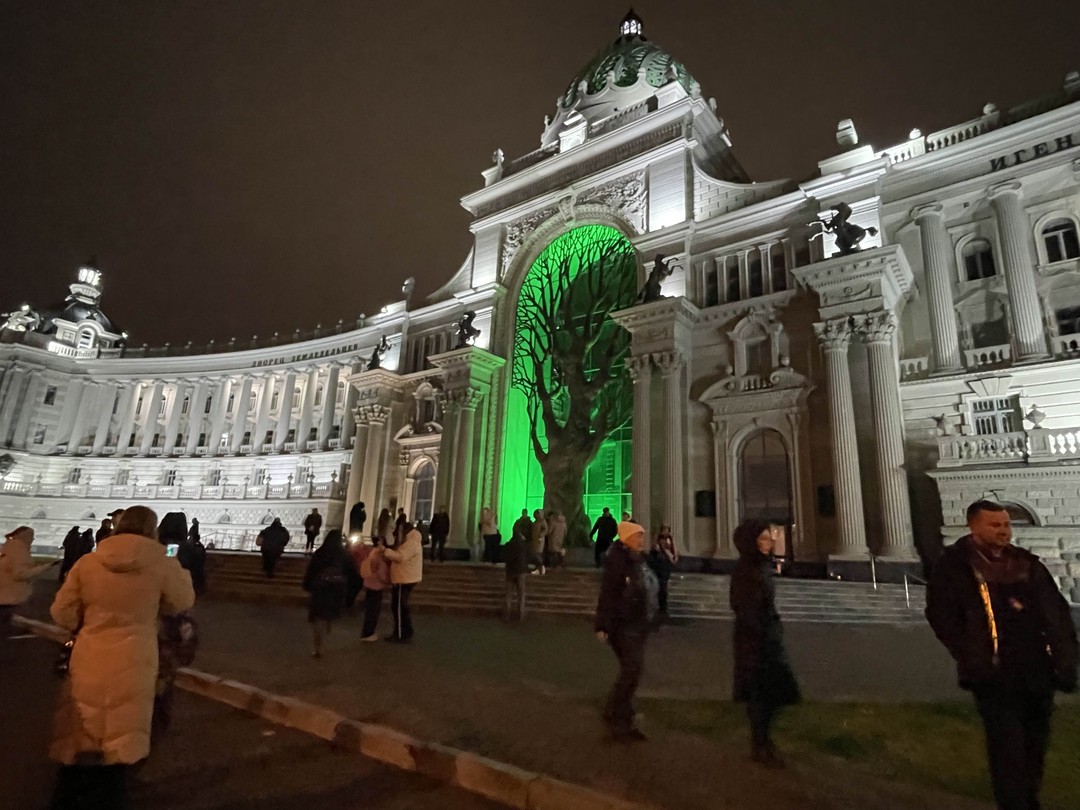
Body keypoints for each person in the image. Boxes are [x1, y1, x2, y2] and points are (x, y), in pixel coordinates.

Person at [926, 500, 1078, 810]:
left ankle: (1028, 800)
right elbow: (942, 615)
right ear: (973, 527)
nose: (1003, 531)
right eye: (995, 525)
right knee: (1007, 747)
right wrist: (971, 654)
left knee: (1035, 745)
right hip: (993, 673)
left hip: (1038, 670)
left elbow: (1056, 614)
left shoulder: (1026, 564)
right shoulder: (955, 566)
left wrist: (1065, 659)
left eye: (1006, 525)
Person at [49, 505, 194, 810]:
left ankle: (67, 798)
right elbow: (182, 601)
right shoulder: (163, 562)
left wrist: (88, 621)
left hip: (90, 652)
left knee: (81, 727)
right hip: (136, 656)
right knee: (121, 736)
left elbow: (61, 613)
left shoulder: (89, 561)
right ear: (152, 529)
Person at [730, 519, 800, 768]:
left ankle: (762, 742)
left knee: (772, 693)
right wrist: (762, 632)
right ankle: (760, 745)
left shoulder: (762, 566)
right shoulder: (746, 570)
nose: (769, 542)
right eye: (763, 538)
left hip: (766, 636)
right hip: (755, 640)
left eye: (770, 537)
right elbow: (743, 607)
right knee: (762, 694)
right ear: (751, 542)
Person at [595, 521, 657, 741]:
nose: (642, 540)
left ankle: (621, 714)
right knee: (631, 671)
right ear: (626, 538)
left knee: (632, 672)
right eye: (638, 536)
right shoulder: (618, 562)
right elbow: (608, 595)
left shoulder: (637, 560)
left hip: (638, 625)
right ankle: (617, 715)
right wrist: (601, 625)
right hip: (623, 626)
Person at [155, 513, 201, 732]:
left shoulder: (159, 546)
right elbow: (175, 567)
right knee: (164, 666)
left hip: (158, 606)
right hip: (174, 606)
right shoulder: (179, 547)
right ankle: (159, 715)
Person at [1, 526, 57, 651]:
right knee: (6, 623)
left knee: (6, 620)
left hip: (6, 593)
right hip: (11, 594)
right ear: (25, 537)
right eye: (31, 536)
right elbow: (20, 574)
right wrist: (45, 568)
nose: (33, 539)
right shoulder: (18, 549)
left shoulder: (10, 546)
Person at [302, 530, 351, 658]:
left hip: (320, 589)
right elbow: (351, 572)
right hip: (336, 591)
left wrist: (307, 585)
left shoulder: (320, 553)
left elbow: (311, 570)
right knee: (328, 616)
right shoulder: (343, 554)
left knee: (317, 617)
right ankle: (326, 631)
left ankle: (317, 646)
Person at [383, 523, 423, 643]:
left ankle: (400, 633)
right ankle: (405, 630)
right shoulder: (411, 541)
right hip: (405, 577)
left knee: (399, 606)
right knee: (400, 605)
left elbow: (401, 557)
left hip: (404, 579)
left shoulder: (411, 543)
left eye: (399, 530)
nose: (397, 532)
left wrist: (386, 551)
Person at [358, 536, 391, 641]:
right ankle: (368, 633)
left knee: (370, 610)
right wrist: (387, 580)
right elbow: (381, 572)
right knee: (373, 611)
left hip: (369, 582)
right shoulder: (379, 555)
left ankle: (366, 632)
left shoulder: (371, 553)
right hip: (376, 585)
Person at [648, 524, 679, 619]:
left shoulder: (669, 538)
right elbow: (655, 550)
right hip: (660, 565)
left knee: (664, 586)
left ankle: (663, 606)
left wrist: (675, 556)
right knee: (661, 586)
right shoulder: (658, 539)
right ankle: (661, 607)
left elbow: (673, 548)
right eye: (664, 530)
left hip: (666, 565)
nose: (666, 532)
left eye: (667, 530)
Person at [503, 525, 529, 622]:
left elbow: (503, 556)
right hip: (520, 571)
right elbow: (530, 555)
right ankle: (521, 614)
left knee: (508, 594)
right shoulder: (524, 545)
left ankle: (507, 614)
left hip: (510, 571)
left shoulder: (508, 544)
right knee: (521, 594)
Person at [530, 509, 548, 575]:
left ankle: (541, 567)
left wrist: (541, 535)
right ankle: (538, 568)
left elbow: (545, 529)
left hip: (539, 540)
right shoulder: (536, 522)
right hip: (535, 540)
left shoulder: (542, 521)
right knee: (535, 554)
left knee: (538, 554)